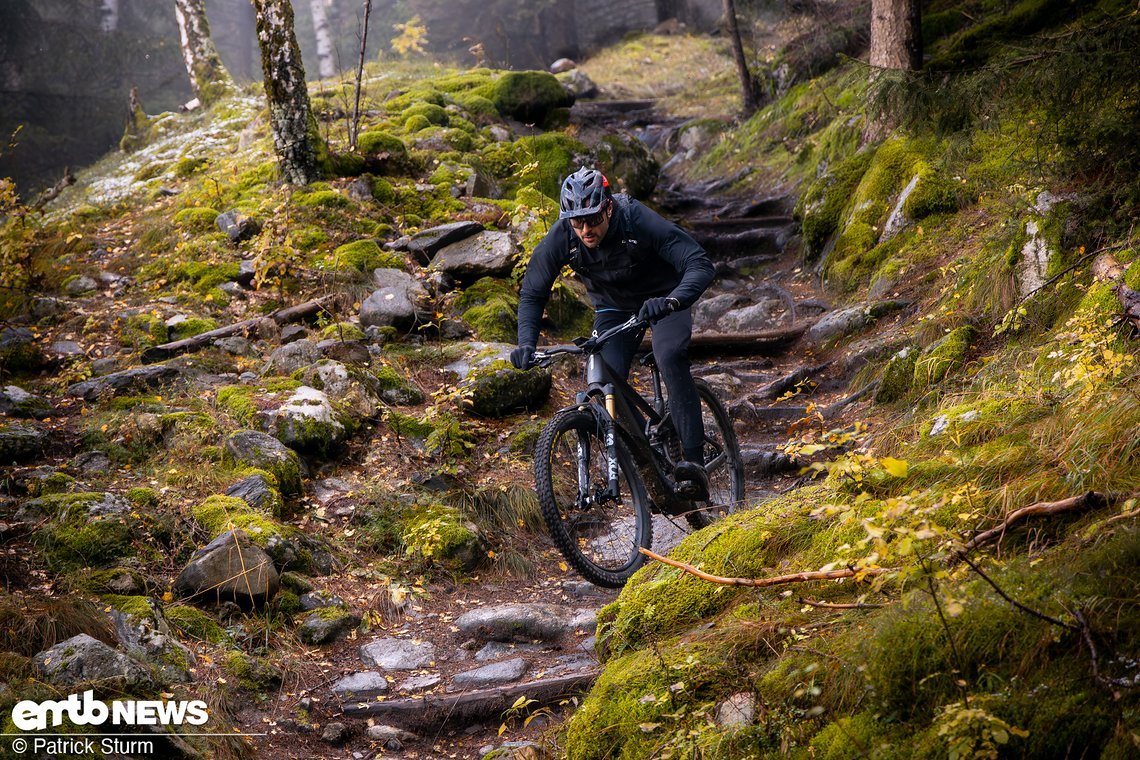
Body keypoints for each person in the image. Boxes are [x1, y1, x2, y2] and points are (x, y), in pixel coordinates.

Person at [511, 166, 716, 498]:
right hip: (613, 308)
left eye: (593, 219)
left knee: (669, 355)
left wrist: (672, 300)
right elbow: (534, 291)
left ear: (608, 207)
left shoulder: (635, 218)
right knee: (603, 382)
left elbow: (699, 262)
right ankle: (649, 465)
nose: (586, 229)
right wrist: (526, 343)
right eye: (577, 223)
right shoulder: (565, 233)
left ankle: (694, 466)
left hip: (663, 298)